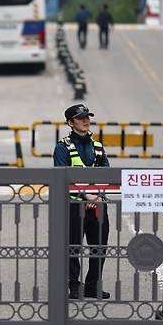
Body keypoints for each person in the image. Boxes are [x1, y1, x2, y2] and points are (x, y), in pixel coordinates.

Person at [54, 104, 110, 299]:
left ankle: (93, 285)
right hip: (74, 206)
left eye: (87, 117)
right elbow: (63, 177)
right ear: (70, 123)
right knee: (73, 247)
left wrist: (97, 195)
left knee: (99, 246)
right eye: (80, 118)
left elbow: (107, 173)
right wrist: (88, 195)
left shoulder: (98, 145)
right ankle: (74, 285)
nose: (86, 121)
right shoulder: (62, 147)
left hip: (97, 204)